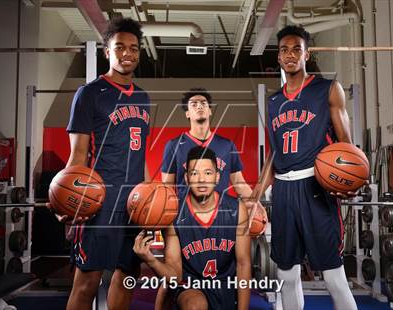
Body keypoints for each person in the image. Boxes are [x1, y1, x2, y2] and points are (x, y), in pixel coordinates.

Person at [254, 25, 358, 310]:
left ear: (306, 54)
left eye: (296, 49)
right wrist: (255, 196)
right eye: (284, 50)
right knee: (287, 274)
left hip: (316, 187)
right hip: (284, 192)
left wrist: (352, 180)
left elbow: (347, 145)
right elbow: (273, 156)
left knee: (333, 274)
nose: (290, 55)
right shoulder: (273, 101)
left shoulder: (327, 89)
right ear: (278, 57)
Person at [51, 18, 150, 310]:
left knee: (127, 277)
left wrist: (148, 197)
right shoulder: (90, 93)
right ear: (108, 52)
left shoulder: (143, 97)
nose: (127, 53)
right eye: (120, 47)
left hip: (132, 204)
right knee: (87, 284)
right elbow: (78, 156)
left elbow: (140, 153)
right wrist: (68, 201)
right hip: (99, 201)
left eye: (133, 48)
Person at [134, 146, 251, 310]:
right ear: (187, 178)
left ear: (217, 177)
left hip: (224, 286)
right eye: (195, 173)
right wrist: (151, 260)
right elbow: (174, 275)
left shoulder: (237, 210)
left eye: (208, 173)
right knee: (194, 305)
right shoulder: (173, 213)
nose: (202, 180)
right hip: (188, 286)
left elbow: (243, 263)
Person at [161, 88, 253, 200]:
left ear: (210, 111)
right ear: (187, 114)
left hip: (220, 213)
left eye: (203, 103)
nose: (199, 106)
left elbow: (239, 184)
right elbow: (167, 188)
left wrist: (256, 204)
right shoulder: (173, 146)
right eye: (194, 104)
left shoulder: (227, 145)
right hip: (186, 213)